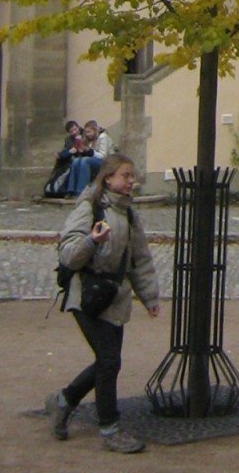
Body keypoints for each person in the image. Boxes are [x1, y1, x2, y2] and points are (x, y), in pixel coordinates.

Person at [48, 151, 160, 453]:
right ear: (108, 177)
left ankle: (64, 400)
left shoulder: (130, 214)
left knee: (106, 361)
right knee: (110, 361)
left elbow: (140, 260)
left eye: (132, 176)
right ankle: (110, 428)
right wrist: (92, 241)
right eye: (125, 175)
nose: (130, 181)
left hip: (114, 297)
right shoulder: (89, 207)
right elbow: (69, 254)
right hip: (85, 295)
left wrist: (149, 297)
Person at [64, 119, 112, 198]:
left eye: (89, 132)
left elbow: (103, 155)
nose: (87, 134)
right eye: (86, 132)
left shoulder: (103, 137)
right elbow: (89, 153)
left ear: (95, 130)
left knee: (85, 161)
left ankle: (81, 191)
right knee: (76, 160)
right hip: (94, 161)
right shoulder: (88, 139)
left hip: (106, 163)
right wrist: (82, 150)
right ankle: (71, 190)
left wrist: (89, 151)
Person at [45, 121, 85, 198]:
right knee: (71, 162)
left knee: (76, 162)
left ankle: (74, 190)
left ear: (78, 127)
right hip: (75, 159)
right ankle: (68, 189)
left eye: (75, 129)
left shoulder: (85, 134)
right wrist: (70, 151)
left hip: (85, 158)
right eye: (71, 131)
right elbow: (68, 151)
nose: (74, 132)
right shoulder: (68, 140)